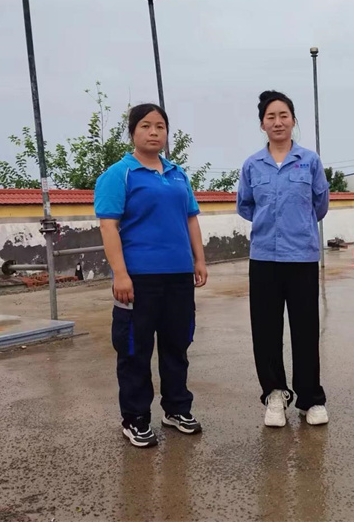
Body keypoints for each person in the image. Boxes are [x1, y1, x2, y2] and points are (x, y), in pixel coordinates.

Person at [94, 103, 208, 448]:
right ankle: (135, 418)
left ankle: (176, 409)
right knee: (134, 350)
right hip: (138, 278)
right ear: (132, 132)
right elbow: (109, 226)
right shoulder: (119, 174)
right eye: (145, 125)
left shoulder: (177, 174)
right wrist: (120, 274)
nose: (154, 132)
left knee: (177, 346)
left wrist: (199, 260)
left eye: (160, 126)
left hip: (178, 276)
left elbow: (190, 218)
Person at [237, 90, 331, 428]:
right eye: (271, 117)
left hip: (301, 256)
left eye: (283, 116)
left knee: (305, 330)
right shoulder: (252, 165)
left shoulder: (310, 161)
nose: (278, 122)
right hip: (264, 258)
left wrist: (296, 225)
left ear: (293, 120)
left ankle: (310, 399)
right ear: (262, 124)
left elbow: (320, 204)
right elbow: (246, 205)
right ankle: (275, 395)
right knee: (265, 330)